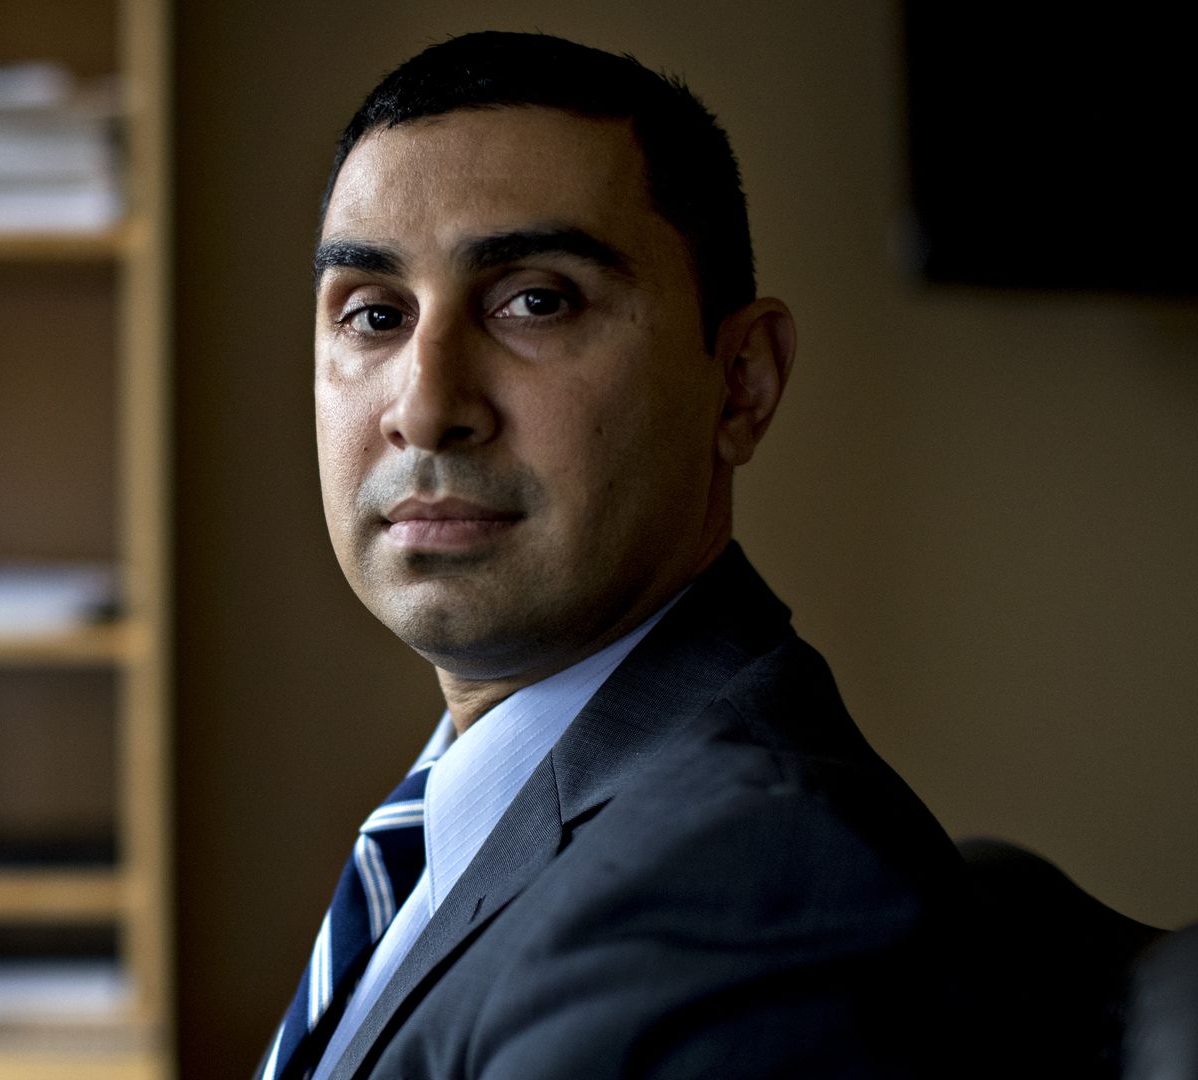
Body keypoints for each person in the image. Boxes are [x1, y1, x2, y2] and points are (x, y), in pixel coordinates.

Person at [259, 31, 977, 1079]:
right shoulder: (487, 813)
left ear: (741, 382)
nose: (424, 407)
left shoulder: (750, 880)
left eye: (535, 301)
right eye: (374, 314)